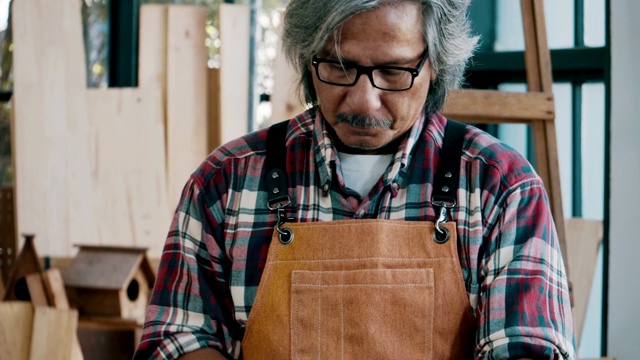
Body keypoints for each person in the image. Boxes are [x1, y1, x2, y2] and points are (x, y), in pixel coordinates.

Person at [134, 0, 575, 359]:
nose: (365, 100)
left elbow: (526, 347)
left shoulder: (500, 187)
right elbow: (179, 341)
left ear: (435, 64)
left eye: (393, 72)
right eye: (341, 66)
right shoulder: (225, 183)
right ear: (309, 57)